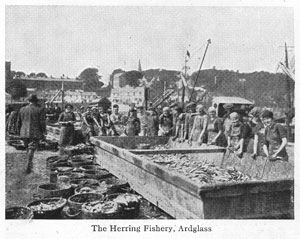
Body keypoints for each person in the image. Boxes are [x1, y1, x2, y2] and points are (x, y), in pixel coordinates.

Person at [17, 95, 46, 173]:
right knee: (32, 149)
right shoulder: (39, 109)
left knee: (28, 148)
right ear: (36, 101)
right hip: (35, 132)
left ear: (28, 101)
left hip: (23, 132)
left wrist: (19, 132)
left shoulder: (22, 109)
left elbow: (19, 122)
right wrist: (44, 131)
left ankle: (28, 164)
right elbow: (42, 122)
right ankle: (28, 167)